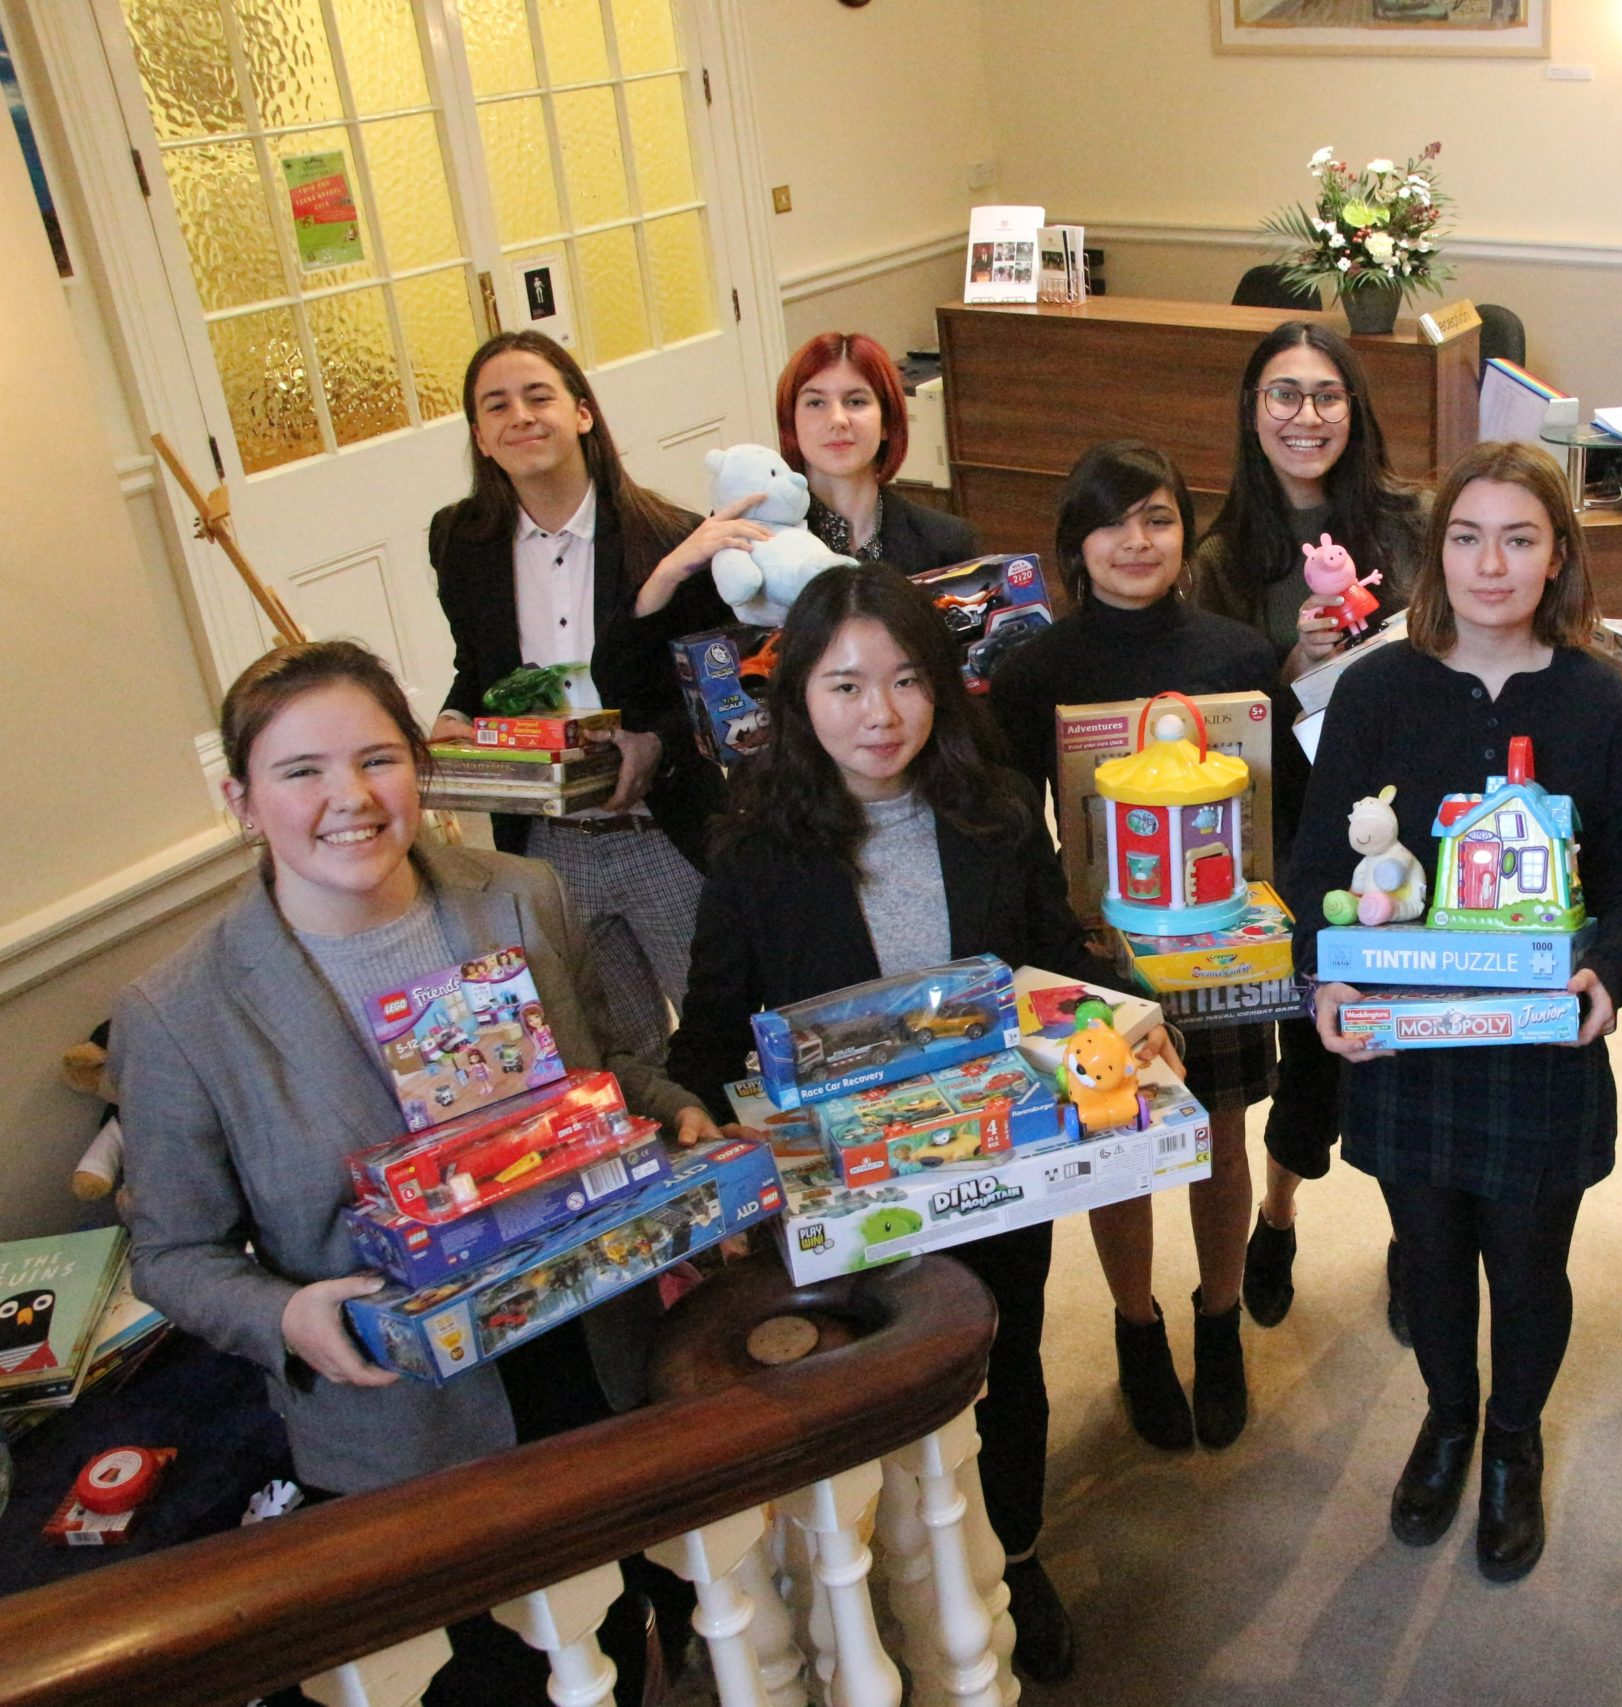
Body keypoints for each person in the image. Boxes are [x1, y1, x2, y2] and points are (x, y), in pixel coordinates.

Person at [116, 640, 717, 1703]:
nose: (347, 798)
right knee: (494, 1677)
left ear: (421, 770)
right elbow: (172, 1251)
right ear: (241, 800)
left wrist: (674, 1114)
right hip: (407, 1413)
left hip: (591, 1349)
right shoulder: (180, 1012)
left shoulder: (520, 896)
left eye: (377, 759)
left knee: (630, 1632)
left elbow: (613, 1063)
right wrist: (289, 1316)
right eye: (300, 772)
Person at [667, 563, 1146, 1684]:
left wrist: (1123, 1017)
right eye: (843, 687)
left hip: (994, 1162)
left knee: (1005, 1354)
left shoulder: (991, 811)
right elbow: (705, 1039)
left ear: (942, 688)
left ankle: (1016, 1554)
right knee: (857, 1389)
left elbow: (1053, 965)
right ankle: (875, 1584)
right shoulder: (753, 848)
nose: (878, 715)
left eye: (903, 681)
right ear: (798, 702)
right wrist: (690, 1120)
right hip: (846, 1192)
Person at [1289, 441, 1622, 1584]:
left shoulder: (1602, 703)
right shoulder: (1374, 686)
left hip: (1540, 1042)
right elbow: (1313, 867)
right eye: (1465, 536)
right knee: (1431, 1253)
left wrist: (1606, 971)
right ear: (1433, 554)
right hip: (1408, 1037)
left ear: (1557, 559)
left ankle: (1511, 1444)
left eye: (1517, 538)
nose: (1488, 563)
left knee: (1529, 1262)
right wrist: (1327, 978)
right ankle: (1449, 1420)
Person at [989, 440, 1279, 1452]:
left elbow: (1273, 817)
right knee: (1117, 1149)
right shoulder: (1034, 673)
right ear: (1073, 546)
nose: (1135, 541)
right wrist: (1049, 943)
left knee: (1221, 1137)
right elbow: (1014, 826)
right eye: (1110, 522)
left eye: (1157, 518)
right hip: (1095, 954)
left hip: (1220, 946)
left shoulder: (1238, 655)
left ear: (1186, 533)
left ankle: (1220, 1319)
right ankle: (1137, 1326)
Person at [1191, 320, 1432, 1334]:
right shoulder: (1218, 555)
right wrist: (1290, 669)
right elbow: (1212, 722)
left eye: (1325, 394)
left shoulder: (1411, 524)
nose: (1305, 415)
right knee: (1309, 1050)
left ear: (1355, 408)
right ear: (1252, 412)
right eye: (1281, 394)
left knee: (1405, 1039)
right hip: (1288, 829)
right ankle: (1279, 1215)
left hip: (1406, 818)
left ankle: (1415, 1234)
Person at [429, 331, 741, 1066]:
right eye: (496, 405)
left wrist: (655, 743)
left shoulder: (669, 538)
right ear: (480, 435)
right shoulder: (460, 540)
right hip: (547, 845)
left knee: (724, 1037)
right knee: (615, 1053)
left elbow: (707, 698)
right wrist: (455, 715)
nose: (521, 417)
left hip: (662, 834)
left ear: (581, 413)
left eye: (539, 396)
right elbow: (476, 668)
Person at [772, 330, 977, 572]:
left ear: (886, 423)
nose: (837, 420)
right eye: (815, 403)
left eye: (856, 401)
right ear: (791, 421)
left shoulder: (945, 542)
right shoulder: (755, 533)